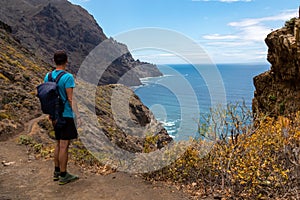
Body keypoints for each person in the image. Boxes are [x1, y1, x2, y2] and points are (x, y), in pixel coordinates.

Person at [44, 50, 81, 185]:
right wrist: (77, 114)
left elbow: (47, 96)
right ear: (66, 61)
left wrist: (50, 113)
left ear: (54, 61)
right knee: (65, 145)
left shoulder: (47, 76)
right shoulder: (68, 77)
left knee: (58, 143)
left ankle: (56, 171)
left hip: (54, 115)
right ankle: (64, 175)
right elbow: (70, 99)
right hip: (65, 115)